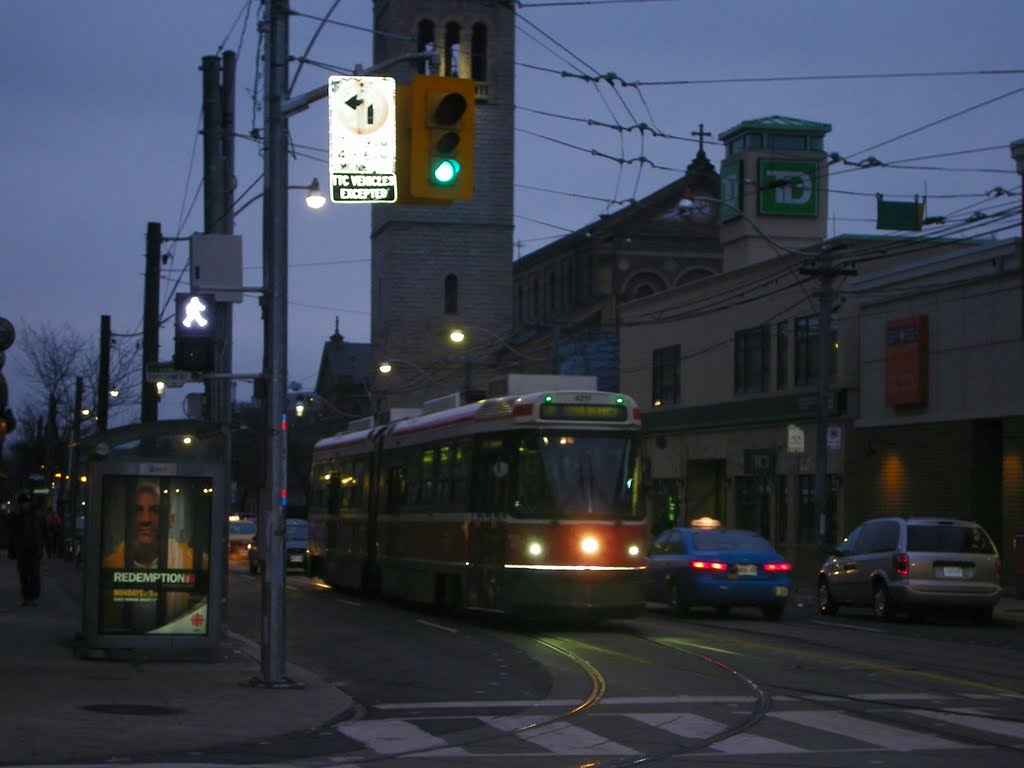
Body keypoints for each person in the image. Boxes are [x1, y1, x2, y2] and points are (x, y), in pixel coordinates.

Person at [101, 481, 194, 570]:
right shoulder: (110, 564)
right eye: (138, 510)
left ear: (171, 520)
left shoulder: (191, 561)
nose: (146, 519)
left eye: (156, 510)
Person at [7, 491, 46, 606]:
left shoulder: (36, 515)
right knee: (24, 574)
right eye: (23, 503)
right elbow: (11, 532)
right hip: (22, 549)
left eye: (26, 503)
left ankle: (32, 597)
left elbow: (42, 531)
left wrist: (44, 547)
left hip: (34, 549)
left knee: (34, 574)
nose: (25, 505)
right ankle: (27, 597)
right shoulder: (16, 516)